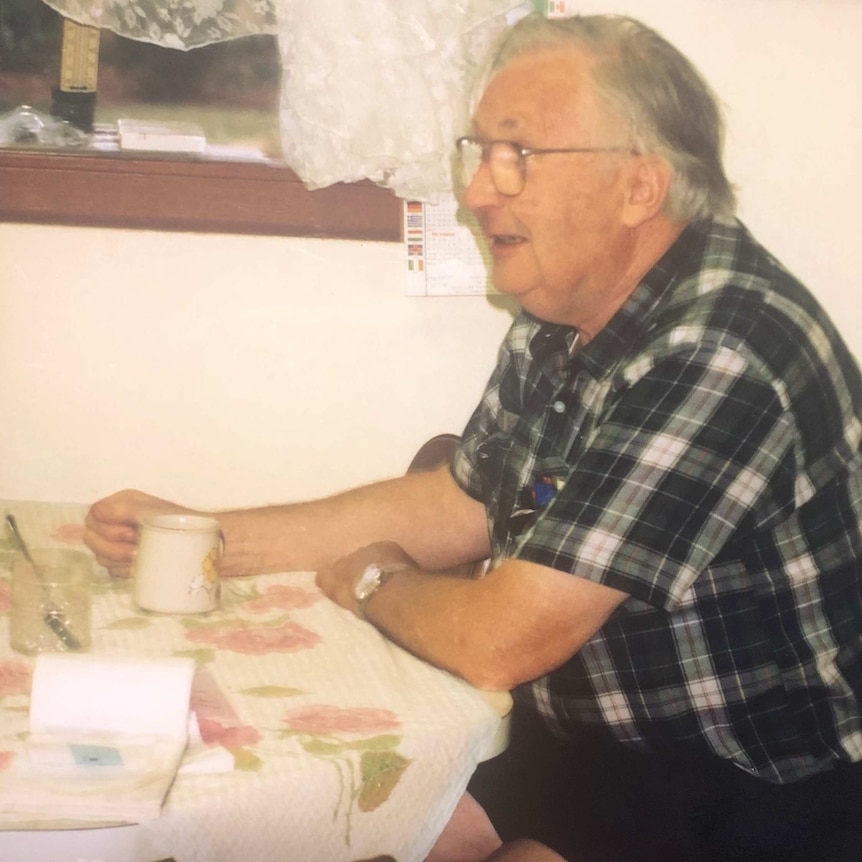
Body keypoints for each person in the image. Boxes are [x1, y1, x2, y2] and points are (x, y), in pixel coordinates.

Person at [84, 12, 862, 862]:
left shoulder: (719, 350)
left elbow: (504, 638)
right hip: (585, 733)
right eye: (479, 151)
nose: (480, 190)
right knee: (308, 824)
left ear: (641, 186)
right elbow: (464, 499)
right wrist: (208, 540)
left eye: (517, 154)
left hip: (755, 788)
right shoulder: (564, 309)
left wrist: (377, 579)